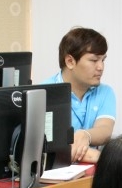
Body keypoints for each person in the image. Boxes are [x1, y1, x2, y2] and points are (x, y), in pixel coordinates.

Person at [44, 27, 116, 164]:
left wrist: (86, 135)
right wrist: (97, 157)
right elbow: (53, 146)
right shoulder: (44, 93)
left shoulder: (106, 92)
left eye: (103, 60)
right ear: (70, 62)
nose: (101, 67)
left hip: (91, 170)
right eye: (94, 60)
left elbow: (105, 130)